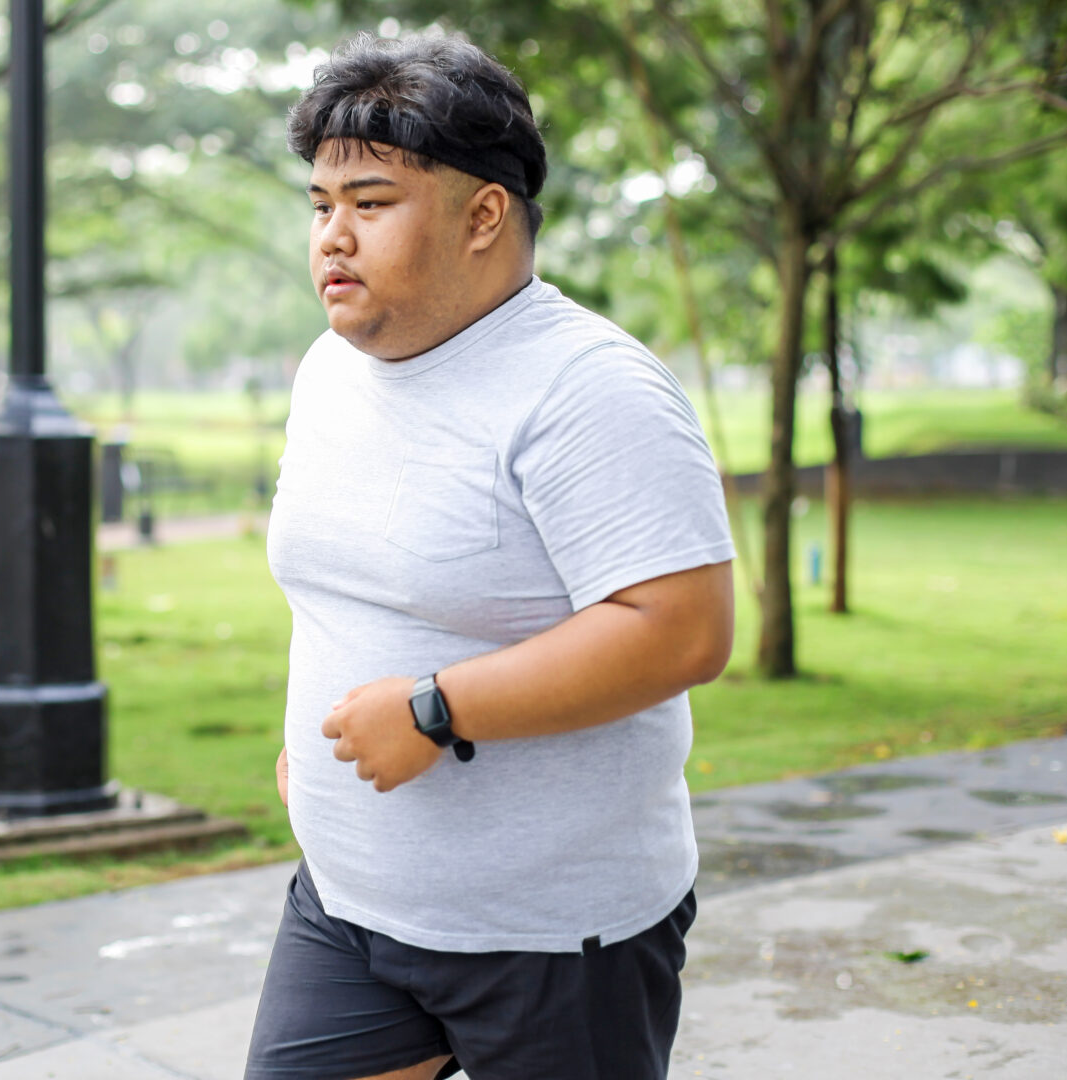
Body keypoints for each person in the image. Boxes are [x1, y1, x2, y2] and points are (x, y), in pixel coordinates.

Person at [246, 32, 736, 1080]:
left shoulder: (587, 388)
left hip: (557, 936)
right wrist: (311, 734)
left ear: (484, 215)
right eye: (321, 204)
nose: (332, 236)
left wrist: (435, 710)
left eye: (370, 203)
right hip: (349, 904)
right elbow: (344, 587)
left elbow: (683, 630)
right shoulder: (331, 372)